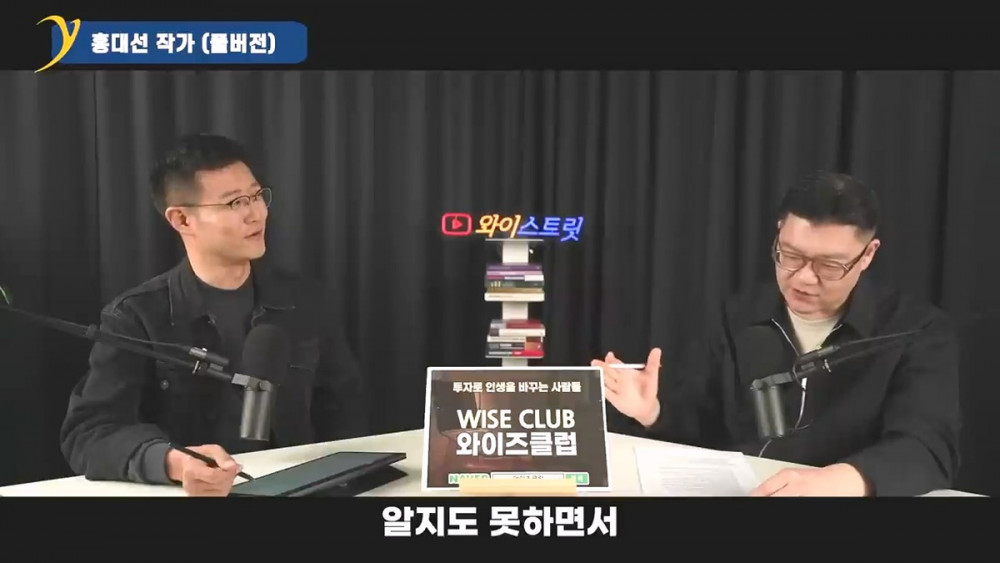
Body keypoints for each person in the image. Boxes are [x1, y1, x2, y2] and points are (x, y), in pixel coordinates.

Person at [594, 172, 961, 497]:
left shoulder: (915, 330)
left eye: (829, 265)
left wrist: (839, 482)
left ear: (867, 255)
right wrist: (653, 411)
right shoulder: (739, 315)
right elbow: (701, 424)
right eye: (790, 255)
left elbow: (928, 447)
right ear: (779, 233)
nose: (804, 278)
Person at [59, 133, 366, 496]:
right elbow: (89, 432)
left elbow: (344, 407)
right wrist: (173, 462)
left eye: (256, 196)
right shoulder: (136, 316)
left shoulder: (304, 300)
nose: (255, 214)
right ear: (182, 219)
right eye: (235, 203)